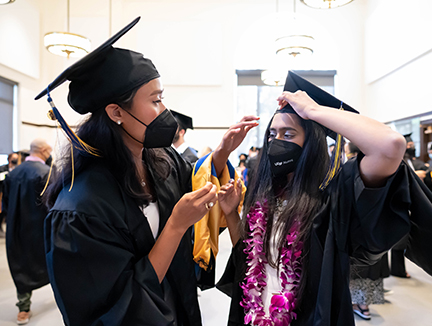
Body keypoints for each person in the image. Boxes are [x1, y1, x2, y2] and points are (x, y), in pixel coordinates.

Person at [34, 17, 258, 326]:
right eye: (155, 100)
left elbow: (191, 180)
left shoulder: (159, 158)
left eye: (162, 97)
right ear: (116, 112)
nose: (165, 111)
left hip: (179, 307)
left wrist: (221, 154)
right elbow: (112, 307)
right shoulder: (81, 207)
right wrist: (176, 226)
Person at [215, 71, 432, 326]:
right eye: (272, 135)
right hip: (255, 317)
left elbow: (390, 145)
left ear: (310, 144)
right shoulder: (265, 196)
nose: (276, 142)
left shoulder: (331, 199)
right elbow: (250, 257)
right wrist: (231, 214)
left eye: (288, 134)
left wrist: (314, 111)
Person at [2, 139, 52, 325]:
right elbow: (53, 204)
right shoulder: (47, 173)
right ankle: (63, 297)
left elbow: (6, 203)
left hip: (16, 228)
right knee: (51, 262)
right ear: (44, 151)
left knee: (20, 263)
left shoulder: (13, 174)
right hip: (40, 228)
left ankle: (23, 309)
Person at [0, 152, 20, 238]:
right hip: (2, 193)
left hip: (12, 194)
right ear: (9, 159)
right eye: (13, 159)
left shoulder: (18, 169)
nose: (15, 160)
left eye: (16, 159)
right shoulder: (2, 168)